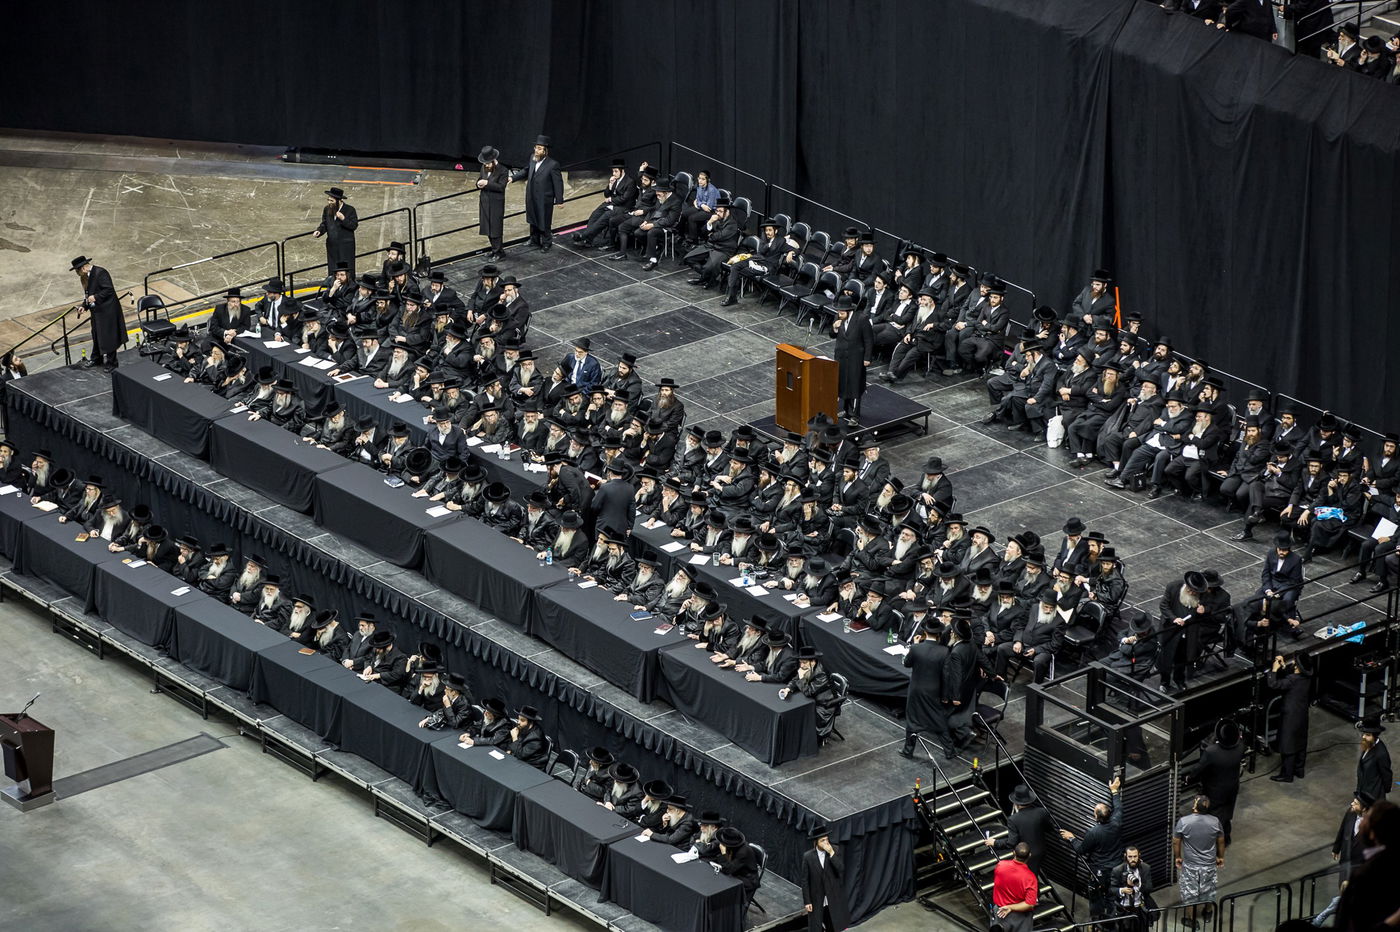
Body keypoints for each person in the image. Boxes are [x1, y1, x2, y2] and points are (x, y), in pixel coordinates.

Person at [1058, 776, 1123, 920]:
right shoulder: (1117, 822)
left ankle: (1097, 924)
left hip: (1099, 870)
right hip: (1117, 867)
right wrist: (1114, 791)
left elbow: (1081, 849)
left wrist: (1071, 837)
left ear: (1096, 817)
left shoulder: (1093, 833)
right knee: (1113, 894)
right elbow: (1118, 807)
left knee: (1096, 896)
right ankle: (1113, 920)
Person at [899, 620, 954, 759]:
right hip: (933, 690)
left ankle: (908, 751)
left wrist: (914, 646)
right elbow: (947, 676)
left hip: (916, 689)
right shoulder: (945, 651)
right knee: (938, 719)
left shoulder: (917, 648)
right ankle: (949, 751)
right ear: (939, 634)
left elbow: (907, 664)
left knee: (912, 720)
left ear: (925, 632)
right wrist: (945, 696)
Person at [1189, 720, 1245, 845]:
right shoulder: (1240, 747)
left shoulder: (1212, 752)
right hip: (1232, 786)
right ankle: (1226, 837)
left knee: (1214, 815)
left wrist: (1190, 778)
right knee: (1227, 812)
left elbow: (1199, 768)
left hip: (1215, 789)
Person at [1173, 794, 1225, 928]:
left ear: (1195, 806)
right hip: (1209, 865)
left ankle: (1191, 919)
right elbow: (1220, 841)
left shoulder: (1184, 822)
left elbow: (1176, 841)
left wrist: (1178, 857)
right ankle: (1208, 912)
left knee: (1190, 892)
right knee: (1209, 889)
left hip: (1191, 866)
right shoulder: (1215, 821)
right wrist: (1220, 857)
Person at [70, 256, 126, 371]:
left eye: (77, 270)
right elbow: (87, 295)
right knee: (96, 334)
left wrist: (95, 297)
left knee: (108, 336)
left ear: (84, 268)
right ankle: (96, 358)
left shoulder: (101, 273)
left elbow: (109, 289)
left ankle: (112, 363)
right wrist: (84, 306)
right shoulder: (85, 277)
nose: (77, 273)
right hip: (97, 312)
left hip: (108, 310)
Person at [986, 784, 1053, 877]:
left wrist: (995, 842)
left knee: (1029, 881)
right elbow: (1050, 828)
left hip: (1026, 855)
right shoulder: (1042, 811)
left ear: (1016, 804)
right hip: (1041, 851)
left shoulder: (1013, 819)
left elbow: (1011, 842)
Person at [513, 135, 563, 250]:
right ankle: (534, 239)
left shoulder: (552, 164)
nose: (536, 150)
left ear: (545, 151)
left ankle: (546, 242)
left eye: (540, 148)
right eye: (536, 148)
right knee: (533, 217)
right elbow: (526, 170)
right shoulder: (532, 158)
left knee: (544, 220)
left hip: (544, 198)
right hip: (532, 195)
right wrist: (513, 178)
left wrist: (559, 200)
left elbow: (558, 183)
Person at [1267, 653, 1312, 782]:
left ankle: (1287, 774)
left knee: (1288, 744)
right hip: (1301, 713)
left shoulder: (1293, 680)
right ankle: (1299, 770)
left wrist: (1274, 670)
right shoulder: (1307, 676)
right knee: (1300, 741)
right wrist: (1284, 665)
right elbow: (1292, 675)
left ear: (1297, 667)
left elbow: (1274, 684)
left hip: (1290, 716)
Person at [831, 295, 873, 424]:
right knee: (843, 383)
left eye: (842, 312)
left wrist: (867, 358)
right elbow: (831, 334)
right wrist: (835, 327)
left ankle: (855, 414)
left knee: (855, 385)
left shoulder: (862, 319)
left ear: (849, 311)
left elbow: (869, 340)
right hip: (841, 357)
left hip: (856, 358)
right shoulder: (838, 318)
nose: (839, 314)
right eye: (838, 312)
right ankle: (846, 409)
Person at [800, 825, 850, 932]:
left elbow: (841, 869)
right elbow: (805, 880)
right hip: (817, 897)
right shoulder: (808, 857)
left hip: (832, 896)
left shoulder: (834, 850)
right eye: (822, 840)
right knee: (816, 926)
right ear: (816, 842)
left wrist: (831, 853)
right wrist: (807, 901)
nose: (826, 842)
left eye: (827, 839)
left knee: (833, 924)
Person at [990, 842, 1038, 931]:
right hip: (1020, 918)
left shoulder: (1001, 865)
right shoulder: (1030, 878)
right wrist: (1010, 907)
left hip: (1000, 911)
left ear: (1014, 853)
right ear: (1029, 855)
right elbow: (1029, 904)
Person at [313, 187, 358, 275]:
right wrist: (319, 231)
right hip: (332, 244)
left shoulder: (350, 210)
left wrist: (343, 218)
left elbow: (353, 226)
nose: (329, 203)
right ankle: (333, 285)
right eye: (328, 200)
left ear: (339, 200)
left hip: (345, 245)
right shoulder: (327, 209)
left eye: (331, 201)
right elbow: (325, 223)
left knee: (347, 268)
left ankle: (348, 286)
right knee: (333, 267)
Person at [475, 145, 509, 260]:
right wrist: (478, 183)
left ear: (494, 161)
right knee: (487, 227)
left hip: (496, 203)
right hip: (485, 202)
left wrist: (487, 183)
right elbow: (480, 178)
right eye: (485, 163)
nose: (486, 165)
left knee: (495, 228)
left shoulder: (503, 170)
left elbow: (501, 187)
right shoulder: (483, 167)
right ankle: (494, 249)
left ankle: (499, 252)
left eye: (488, 163)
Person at [1110, 846, 1155, 930]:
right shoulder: (1117, 870)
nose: (1133, 859)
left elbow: (1149, 888)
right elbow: (1112, 889)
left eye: (1135, 856)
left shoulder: (1145, 868)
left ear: (1139, 856)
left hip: (1140, 908)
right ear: (1125, 856)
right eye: (1130, 857)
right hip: (1124, 909)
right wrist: (1122, 890)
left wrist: (1138, 886)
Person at [1355, 716, 1393, 802]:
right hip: (1363, 790)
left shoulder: (1381, 754)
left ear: (1375, 736)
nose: (1364, 737)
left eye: (1368, 735)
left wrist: (1384, 790)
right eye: (1364, 733)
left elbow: (1386, 774)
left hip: (1373, 795)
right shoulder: (1368, 744)